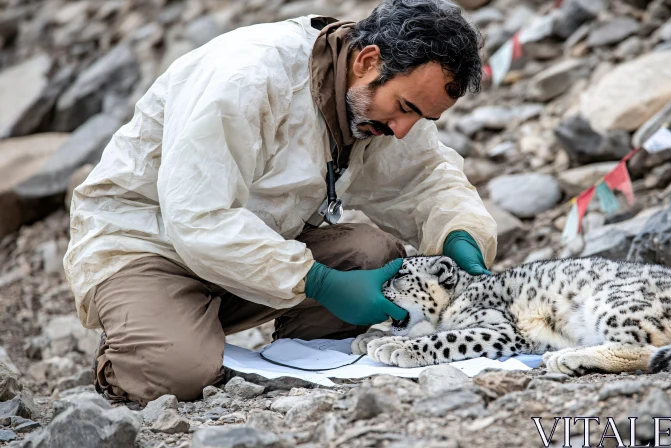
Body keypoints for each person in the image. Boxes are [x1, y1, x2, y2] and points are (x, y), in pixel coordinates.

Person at [64, 0, 498, 404]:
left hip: (254, 246)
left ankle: (300, 355)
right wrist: (320, 283)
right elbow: (199, 218)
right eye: (404, 108)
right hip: (149, 246)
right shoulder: (247, 77)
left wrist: (461, 236)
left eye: (421, 116)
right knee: (177, 372)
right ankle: (144, 338)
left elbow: (426, 180)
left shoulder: (378, 101)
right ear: (367, 61)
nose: (404, 129)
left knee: (372, 256)